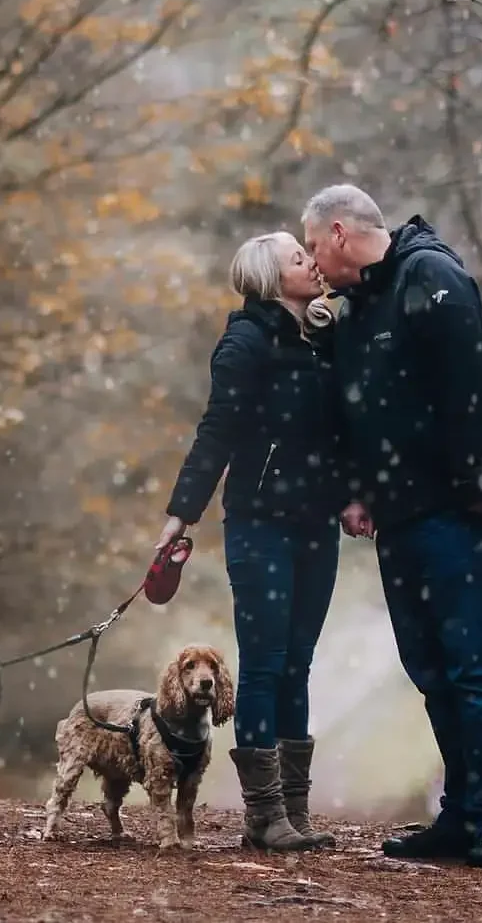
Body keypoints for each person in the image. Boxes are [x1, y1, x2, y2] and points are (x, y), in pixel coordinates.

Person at [301, 184, 482, 869]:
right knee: (430, 670)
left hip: (461, 513)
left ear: (340, 233)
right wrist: (355, 491)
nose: (313, 263)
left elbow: (471, 389)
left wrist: (475, 490)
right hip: (400, 517)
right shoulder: (357, 308)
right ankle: (459, 816)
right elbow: (352, 415)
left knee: (476, 670)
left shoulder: (431, 276)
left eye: (314, 247)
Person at [156, 231, 344, 852]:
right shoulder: (244, 343)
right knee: (264, 664)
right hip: (260, 521)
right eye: (299, 258)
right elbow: (217, 431)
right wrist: (182, 514)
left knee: (299, 663)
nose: (312, 263)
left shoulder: (322, 340)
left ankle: (293, 811)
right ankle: (263, 817)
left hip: (316, 523)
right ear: (270, 278)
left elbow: (343, 430)